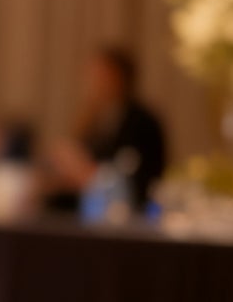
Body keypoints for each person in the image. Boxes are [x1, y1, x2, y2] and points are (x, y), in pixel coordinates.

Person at [44, 43, 169, 213]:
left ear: (120, 77)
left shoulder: (141, 121)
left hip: (128, 211)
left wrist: (79, 167)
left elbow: (128, 180)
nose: (94, 82)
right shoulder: (96, 119)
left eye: (101, 74)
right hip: (89, 209)